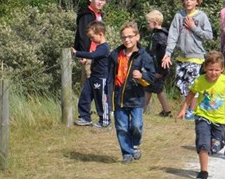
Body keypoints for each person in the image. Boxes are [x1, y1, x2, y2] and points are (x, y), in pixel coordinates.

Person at [176, 51, 225, 179]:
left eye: (217, 70)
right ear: (205, 68)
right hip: (203, 115)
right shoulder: (200, 81)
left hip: (220, 119)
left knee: (215, 146)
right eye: (210, 69)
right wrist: (184, 108)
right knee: (203, 143)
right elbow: (191, 93)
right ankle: (203, 171)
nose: (213, 73)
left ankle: (219, 145)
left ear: (222, 69)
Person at [162, 0, 214, 118]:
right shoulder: (179, 16)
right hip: (182, 57)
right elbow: (173, 36)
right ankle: (198, 105)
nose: (188, 2)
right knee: (181, 84)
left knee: (192, 85)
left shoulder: (201, 16)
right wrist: (168, 53)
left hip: (196, 57)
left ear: (197, 1)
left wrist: (194, 28)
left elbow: (209, 35)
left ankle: (192, 111)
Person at [107, 22, 156, 163]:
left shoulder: (144, 56)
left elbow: (151, 78)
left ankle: (135, 144)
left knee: (136, 125)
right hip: (119, 98)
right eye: (124, 37)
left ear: (137, 37)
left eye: (130, 36)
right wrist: (108, 97)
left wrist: (142, 77)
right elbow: (110, 78)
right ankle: (127, 153)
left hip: (136, 98)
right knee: (121, 127)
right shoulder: (115, 55)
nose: (127, 40)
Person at [71, 21, 110, 127]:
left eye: (92, 37)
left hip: (101, 79)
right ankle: (85, 117)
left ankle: (105, 121)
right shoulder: (99, 48)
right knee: (85, 95)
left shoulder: (104, 47)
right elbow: (95, 58)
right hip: (93, 77)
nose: (91, 40)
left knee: (101, 100)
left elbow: (93, 56)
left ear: (100, 34)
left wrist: (77, 53)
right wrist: (86, 60)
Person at [74, 0, 107, 86]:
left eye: (103, 0)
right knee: (91, 85)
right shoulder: (86, 15)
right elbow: (83, 36)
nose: (100, 2)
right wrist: (84, 54)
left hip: (98, 55)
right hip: (89, 56)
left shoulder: (99, 15)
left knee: (96, 86)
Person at [144, 10, 172, 117]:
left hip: (158, 69)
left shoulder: (160, 37)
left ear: (155, 23)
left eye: (148, 23)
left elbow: (162, 55)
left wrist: (161, 71)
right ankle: (165, 110)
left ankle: (166, 110)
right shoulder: (155, 35)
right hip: (155, 68)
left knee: (154, 89)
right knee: (151, 88)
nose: (147, 25)